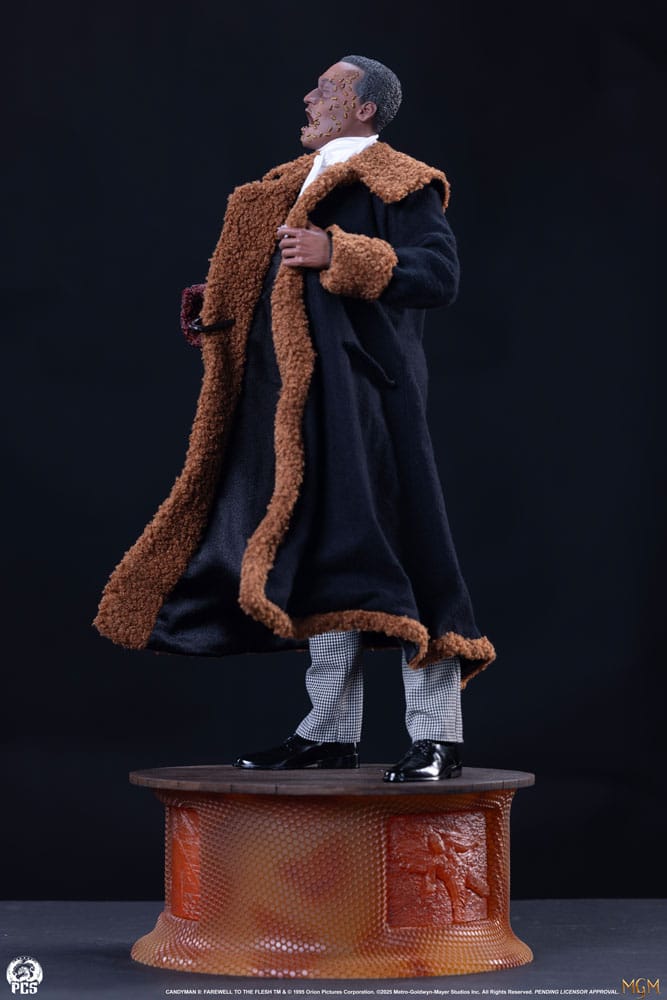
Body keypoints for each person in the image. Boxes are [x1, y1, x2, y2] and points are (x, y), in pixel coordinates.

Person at [92, 55, 496, 781]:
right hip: (296, 416)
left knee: (412, 556)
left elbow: (438, 275)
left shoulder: (399, 181)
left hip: (368, 408)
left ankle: (438, 736)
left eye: (327, 88)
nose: (309, 98)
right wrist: (222, 307)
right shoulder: (286, 185)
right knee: (320, 561)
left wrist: (338, 250)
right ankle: (328, 732)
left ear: (364, 108)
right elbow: (280, 294)